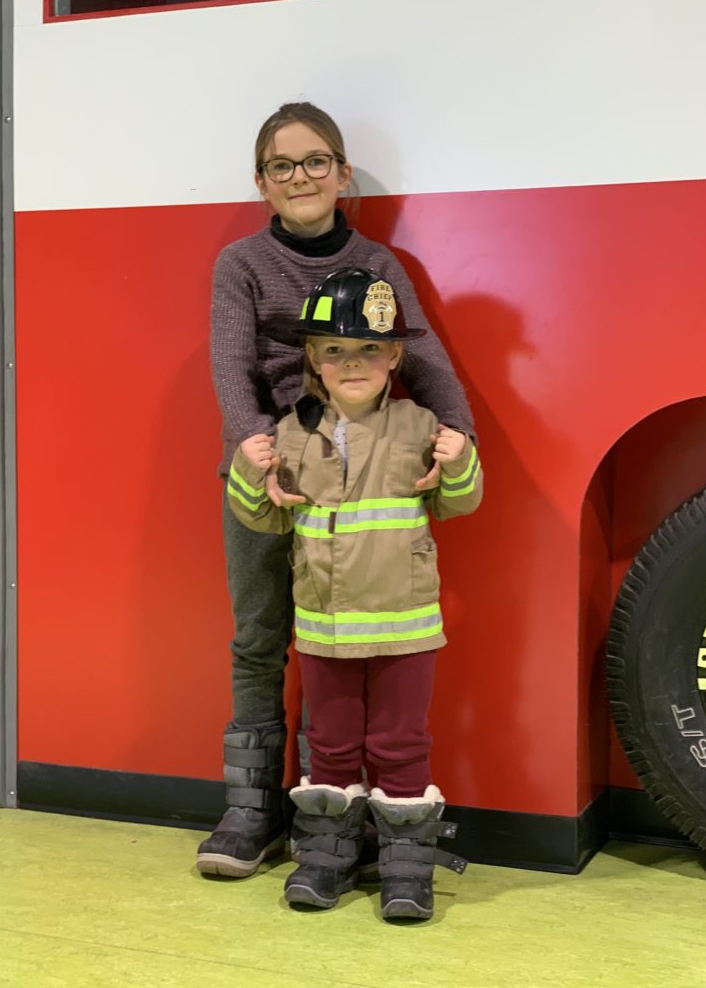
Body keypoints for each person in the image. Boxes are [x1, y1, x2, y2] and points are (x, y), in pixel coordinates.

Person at [198, 102, 476, 882]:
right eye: (282, 166)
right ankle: (254, 811)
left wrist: (459, 438)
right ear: (262, 182)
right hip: (271, 472)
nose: (301, 177)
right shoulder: (240, 265)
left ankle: (329, 820)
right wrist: (259, 455)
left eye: (316, 161)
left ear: (342, 172)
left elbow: (427, 360)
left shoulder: (379, 263)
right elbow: (232, 368)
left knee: (340, 644)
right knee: (260, 639)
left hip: (361, 477)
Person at [226, 267, 483, 921]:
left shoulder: (420, 425)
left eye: (370, 348)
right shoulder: (291, 432)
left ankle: (406, 871)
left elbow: (457, 504)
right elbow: (267, 519)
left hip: (404, 630)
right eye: (335, 349)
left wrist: (459, 461)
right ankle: (324, 860)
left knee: (401, 746)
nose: (352, 362)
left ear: (395, 356)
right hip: (324, 629)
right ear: (313, 357)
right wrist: (247, 476)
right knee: (331, 747)